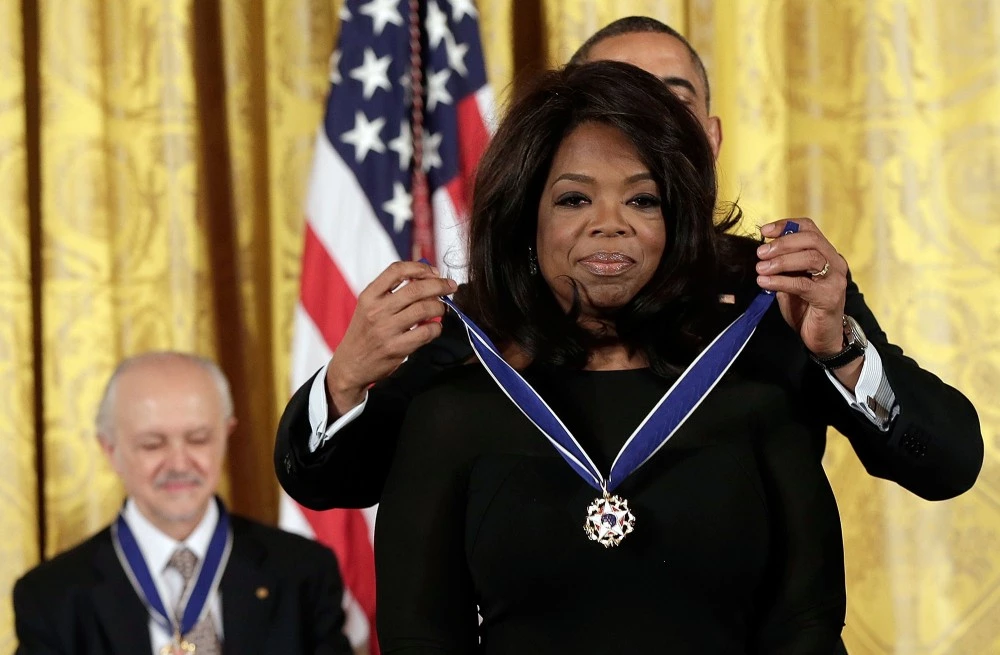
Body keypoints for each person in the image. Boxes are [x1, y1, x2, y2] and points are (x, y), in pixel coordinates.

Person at [274, 16, 983, 511]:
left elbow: (946, 463)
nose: (640, 132)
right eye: (611, 105)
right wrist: (343, 382)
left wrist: (846, 357)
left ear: (709, 137)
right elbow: (333, 480)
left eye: (669, 107)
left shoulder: (782, 287)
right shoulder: (497, 302)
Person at [376, 60, 846, 652]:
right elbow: (416, 638)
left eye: (643, 200)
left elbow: (808, 626)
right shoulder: (450, 413)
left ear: (678, 223)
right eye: (574, 199)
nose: (609, 225)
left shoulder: (758, 394)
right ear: (528, 221)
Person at [14, 352, 353, 655]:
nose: (179, 463)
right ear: (110, 450)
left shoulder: (303, 572)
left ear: (226, 435)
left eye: (198, 439)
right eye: (152, 444)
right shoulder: (50, 596)